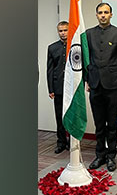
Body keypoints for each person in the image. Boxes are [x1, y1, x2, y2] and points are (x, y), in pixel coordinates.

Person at [85, 3, 117, 172]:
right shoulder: (88, 34)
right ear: (96, 15)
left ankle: (111, 156)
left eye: (106, 12)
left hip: (113, 84)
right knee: (98, 123)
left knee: (112, 122)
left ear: (111, 14)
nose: (103, 15)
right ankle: (99, 155)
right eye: (100, 12)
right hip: (95, 84)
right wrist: (86, 80)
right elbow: (85, 59)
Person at [47, 21, 70, 154]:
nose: (63, 33)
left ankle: (72, 142)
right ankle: (61, 142)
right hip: (58, 87)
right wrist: (51, 88)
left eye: (65, 30)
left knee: (72, 115)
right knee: (59, 116)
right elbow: (50, 70)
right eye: (60, 31)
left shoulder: (75, 46)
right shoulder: (52, 48)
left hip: (72, 87)